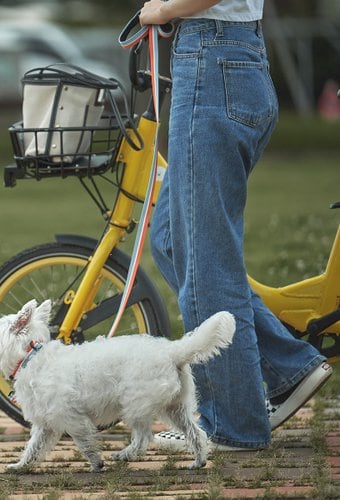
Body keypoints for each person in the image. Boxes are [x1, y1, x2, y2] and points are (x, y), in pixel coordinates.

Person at [139, 0, 332, 451]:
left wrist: (166, 10)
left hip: (213, 62)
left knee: (207, 265)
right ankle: (287, 366)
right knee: (171, 240)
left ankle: (233, 423)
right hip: (224, 58)